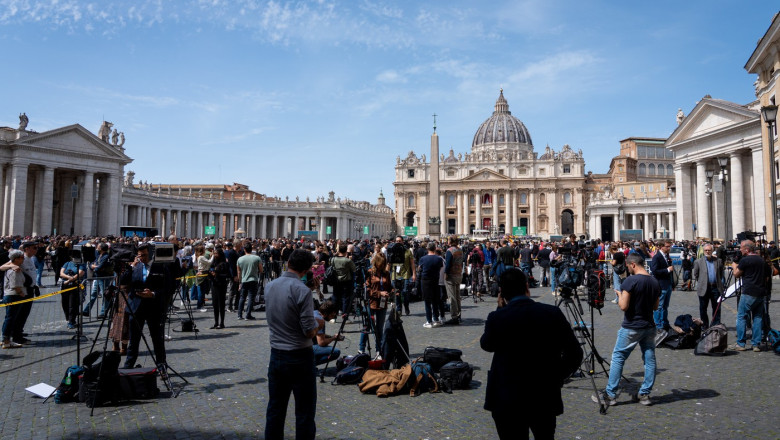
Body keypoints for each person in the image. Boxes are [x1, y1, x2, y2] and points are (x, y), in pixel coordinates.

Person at [480, 267, 582, 440]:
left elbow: (487, 345)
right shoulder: (552, 313)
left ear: (501, 292)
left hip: (507, 396)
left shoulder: (497, 317)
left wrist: (499, 310)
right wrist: (557, 376)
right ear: (527, 287)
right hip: (543, 394)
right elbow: (575, 353)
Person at [265, 249, 318, 440]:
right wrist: (318, 324)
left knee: (275, 409)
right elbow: (308, 331)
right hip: (300, 356)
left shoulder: (269, 286)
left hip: (276, 354)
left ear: (288, 263)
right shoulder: (302, 291)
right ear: (306, 270)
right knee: (304, 412)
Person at [598, 253, 660, 407]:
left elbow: (624, 307)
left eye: (627, 266)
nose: (627, 269)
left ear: (633, 265)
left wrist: (619, 295)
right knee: (649, 359)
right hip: (649, 326)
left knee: (618, 357)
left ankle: (610, 394)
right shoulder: (654, 281)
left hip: (632, 326)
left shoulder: (630, 281)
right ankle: (644, 394)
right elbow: (655, 307)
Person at [123, 243, 170, 370]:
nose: (142, 258)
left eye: (144, 255)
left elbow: (167, 288)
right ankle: (128, 365)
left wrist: (153, 294)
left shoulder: (160, 267)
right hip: (136, 307)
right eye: (139, 255)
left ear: (150, 253)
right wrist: (130, 268)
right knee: (134, 340)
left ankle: (161, 366)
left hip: (153, 308)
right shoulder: (136, 267)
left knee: (157, 340)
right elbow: (123, 281)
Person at [731, 240, 768, 351]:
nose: (740, 250)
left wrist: (734, 266)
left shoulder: (745, 260)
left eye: (741, 248)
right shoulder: (762, 260)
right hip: (760, 292)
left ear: (747, 249)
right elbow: (767, 277)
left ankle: (741, 343)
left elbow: (736, 274)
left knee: (742, 317)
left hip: (748, 292)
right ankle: (756, 344)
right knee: (758, 318)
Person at [359, 252, 391, 356]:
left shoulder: (386, 273)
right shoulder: (370, 273)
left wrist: (392, 292)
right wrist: (379, 293)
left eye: (383, 264)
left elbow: (389, 286)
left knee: (379, 328)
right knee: (367, 326)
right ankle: (361, 348)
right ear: (376, 263)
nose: (381, 266)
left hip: (382, 303)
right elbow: (366, 289)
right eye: (380, 264)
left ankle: (379, 349)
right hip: (371, 302)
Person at [692, 244, 723, 328]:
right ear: (703, 251)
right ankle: (704, 325)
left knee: (716, 308)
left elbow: (721, 274)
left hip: (715, 288)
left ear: (712, 250)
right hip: (704, 288)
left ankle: (715, 324)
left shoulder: (718, 261)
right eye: (706, 250)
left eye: (709, 250)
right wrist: (703, 282)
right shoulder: (698, 261)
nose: (707, 251)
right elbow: (696, 274)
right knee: (703, 308)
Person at [2, 250, 27, 349]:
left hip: (11, 295)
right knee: (11, 318)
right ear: (16, 259)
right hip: (14, 295)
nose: (23, 259)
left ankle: (5, 339)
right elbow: (15, 285)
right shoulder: (14, 270)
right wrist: (21, 293)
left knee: (9, 317)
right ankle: (6, 340)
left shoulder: (15, 267)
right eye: (22, 258)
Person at [649, 239, 674, 331]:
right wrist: (667, 270)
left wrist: (672, 284)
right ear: (661, 247)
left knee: (665, 306)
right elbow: (654, 271)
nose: (669, 248)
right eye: (667, 246)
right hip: (660, 285)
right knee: (659, 306)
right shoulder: (657, 257)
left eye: (669, 246)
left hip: (668, 284)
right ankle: (658, 325)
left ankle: (665, 323)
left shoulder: (667, 256)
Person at [418, 242, 444, 328]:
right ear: (435, 248)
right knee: (435, 300)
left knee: (427, 302)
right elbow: (440, 268)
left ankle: (429, 321)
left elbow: (419, 268)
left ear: (427, 249)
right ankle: (436, 319)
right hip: (435, 280)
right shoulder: (439, 259)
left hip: (425, 281)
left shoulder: (423, 259)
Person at [236, 243, 263, 322]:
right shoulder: (257, 258)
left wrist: (239, 282)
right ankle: (248, 314)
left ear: (244, 249)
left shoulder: (240, 259)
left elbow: (238, 272)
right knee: (251, 298)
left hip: (244, 280)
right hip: (253, 279)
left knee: (242, 297)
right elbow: (261, 270)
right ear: (251, 249)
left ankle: (239, 314)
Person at [388, 236, 415, 316]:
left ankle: (406, 306)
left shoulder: (407, 251)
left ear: (403, 242)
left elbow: (412, 263)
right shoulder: (392, 251)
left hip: (405, 274)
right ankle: (399, 309)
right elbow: (389, 264)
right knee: (397, 293)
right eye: (397, 241)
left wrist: (414, 274)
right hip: (395, 275)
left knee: (405, 292)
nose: (398, 242)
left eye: (399, 241)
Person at [84, 242, 111, 318]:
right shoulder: (99, 255)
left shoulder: (106, 256)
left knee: (105, 295)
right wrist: (92, 266)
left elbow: (100, 267)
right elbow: (92, 263)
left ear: (101, 248)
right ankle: (86, 310)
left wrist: (94, 267)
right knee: (93, 294)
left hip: (103, 278)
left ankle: (103, 312)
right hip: (97, 277)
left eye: (98, 247)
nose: (96, 248)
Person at [312, 299, 342, 365]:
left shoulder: (315, 312)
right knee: (335, 352)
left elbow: (318, 334)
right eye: (331, 315)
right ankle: (310, 365)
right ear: (325, 314)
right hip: (304, 347)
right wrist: (333, 338)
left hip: (297, 343)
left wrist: (331, 336)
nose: (332, 318)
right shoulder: (320, 320)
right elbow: (321, 343)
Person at [60, 258, 86, 329]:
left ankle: (71, 321)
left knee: (72, 304)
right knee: (64, 303)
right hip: (65, 286)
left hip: (75, 286)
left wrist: (68, 281)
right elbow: (61, 273)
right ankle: (69, 318)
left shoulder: (81, 264)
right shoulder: (67, 263)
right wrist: (68, 277)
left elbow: (80, 273)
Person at [330, 244, 356, 315]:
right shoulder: (347, 261)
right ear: (346, 251)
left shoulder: (333, 259)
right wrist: (351, 260)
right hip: (346, 281)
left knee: (335, 297)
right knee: (345, 298)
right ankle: (344, 314)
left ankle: (334, 314)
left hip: (336, 280)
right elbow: (354, 269)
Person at [443, 236, 464, 325]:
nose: (447, 241)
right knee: (457, 296)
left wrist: (445, 274)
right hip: (458, 274)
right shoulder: (460, 250)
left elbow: (447, 264)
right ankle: (459, 314)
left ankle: (454, 316)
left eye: (448, 240)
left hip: (451, 275)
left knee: (452, 297)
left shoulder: (449, 251)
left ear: (451, 241)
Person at [210, 247, 230, 329]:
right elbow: (210, 272)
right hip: (214, 285)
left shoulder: (224, 264)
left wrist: (217, 274)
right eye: (214, 254)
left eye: (216, 254)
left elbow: (227, 275)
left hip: (221, 285)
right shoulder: (214, 263)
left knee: (221, 304)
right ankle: (216, 322)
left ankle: (222, 322)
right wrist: (210, 274)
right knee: (215, 304)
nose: (215, 255)